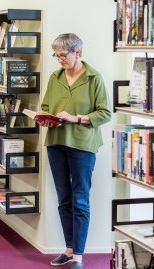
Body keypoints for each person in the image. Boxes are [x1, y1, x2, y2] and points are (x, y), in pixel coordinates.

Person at [37, 33, 111, 268]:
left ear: (77, 52)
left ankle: (79, 255)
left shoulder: (94, 78)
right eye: (56, 55)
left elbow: (105, 113)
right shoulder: (55, 77)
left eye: (63, 55)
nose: (59, 60)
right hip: (56, 143)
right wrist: (45, 119)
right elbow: (47, 106)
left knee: (80, 199)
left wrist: (76, 118)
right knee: (63, 199)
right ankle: (68, 249)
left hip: (82, 145)